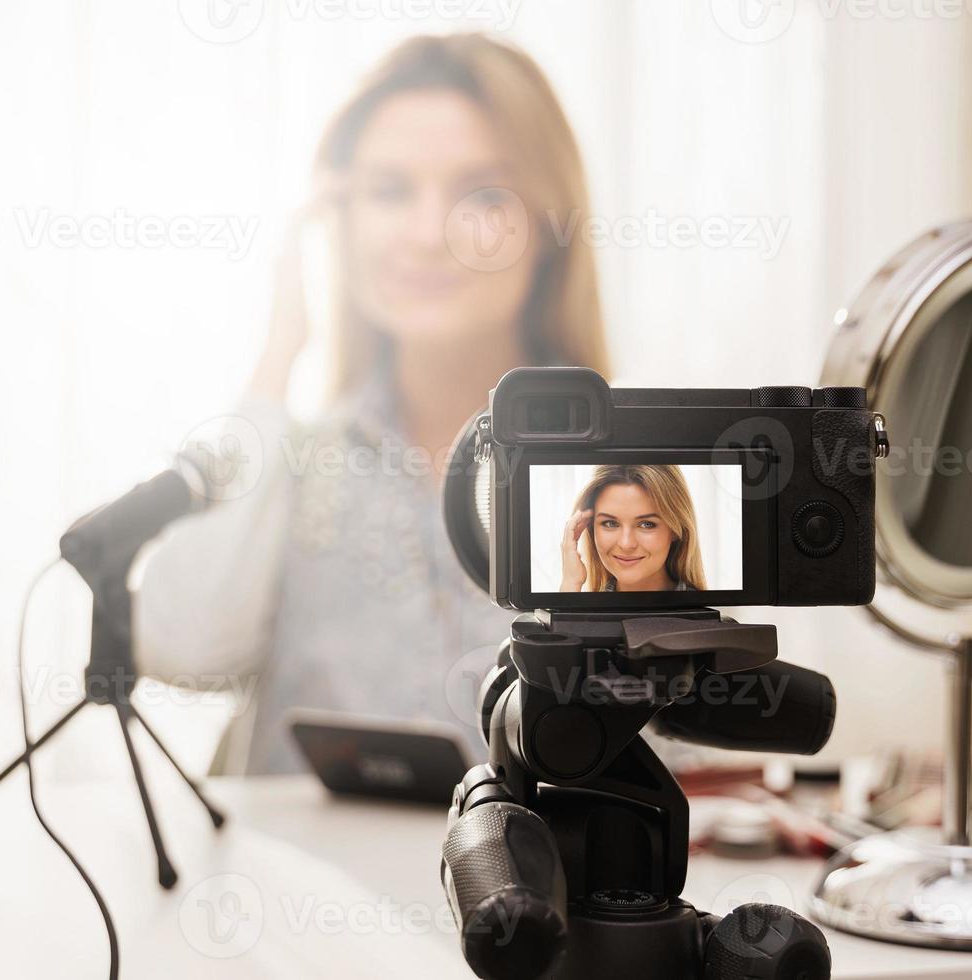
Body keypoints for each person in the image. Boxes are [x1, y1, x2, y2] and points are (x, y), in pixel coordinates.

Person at [134, 34, 609, 774]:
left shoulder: (624, 472)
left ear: (551, 221)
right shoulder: (292, 462)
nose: (428, 235)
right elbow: (179, 647)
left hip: (526, 889)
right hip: (299, 888)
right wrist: (277, 355)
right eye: (390, 191)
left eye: (481, 194)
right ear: (341, 220)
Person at [559, 465, 707, 593]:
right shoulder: (586, 613)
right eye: (610, 523)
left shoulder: (708, 622)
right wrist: (571, 584)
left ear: (675, 529)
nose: (626, 544)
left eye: (646, 524)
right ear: (590, 527)